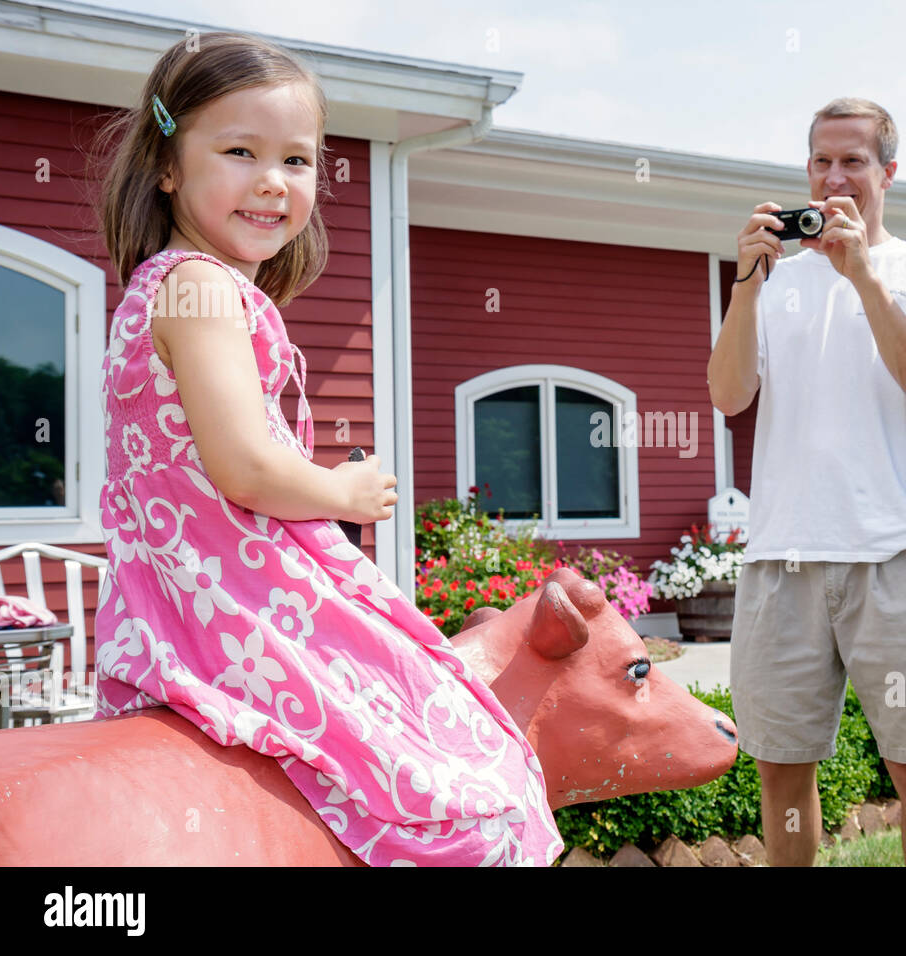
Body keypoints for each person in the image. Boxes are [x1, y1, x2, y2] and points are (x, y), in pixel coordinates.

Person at [91, 33, 563, 866]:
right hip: (234, 604)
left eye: (298, 160)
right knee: (457, 770)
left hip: (186, 603)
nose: (273, 180)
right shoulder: (197, 288)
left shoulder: (172, 286)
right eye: (240, 151)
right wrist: (343, 491)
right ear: (167, 165)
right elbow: (244, 467)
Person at [708, 98, 906, 866]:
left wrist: (860, 274)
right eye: (822, 161)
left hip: (902, 556)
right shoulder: (773, 284)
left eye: (854, 161)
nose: (834, 178)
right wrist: (746, 287)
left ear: (888, 172)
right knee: (780, 769)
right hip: (780, 559)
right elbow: (729, 395)